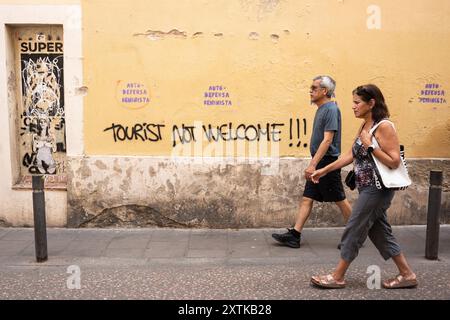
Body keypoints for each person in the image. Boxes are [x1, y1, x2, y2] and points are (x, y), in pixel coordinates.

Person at [309, 84, 418, 289]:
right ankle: (407, 274)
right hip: (366, 187)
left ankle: (337, 276)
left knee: (354, 228)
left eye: (357, 102)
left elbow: (394, 161)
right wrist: (324, 170)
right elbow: (350, 155)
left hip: (378, 189)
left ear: (371, 103)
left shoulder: (384, 126)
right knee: (380, 232)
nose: (353, 107)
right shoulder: (365, 125)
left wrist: (370, 145)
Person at [272, 75, 352, 248]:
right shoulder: (322, 108)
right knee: (307, 199)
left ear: (325, 91)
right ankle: (295, 235)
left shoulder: (330, 109)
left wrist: (313, 164)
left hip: (326, 162)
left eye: (314, 88)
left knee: (340, 199)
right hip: (319, 161)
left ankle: (355, 235)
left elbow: (327, 140)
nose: (311, 91)